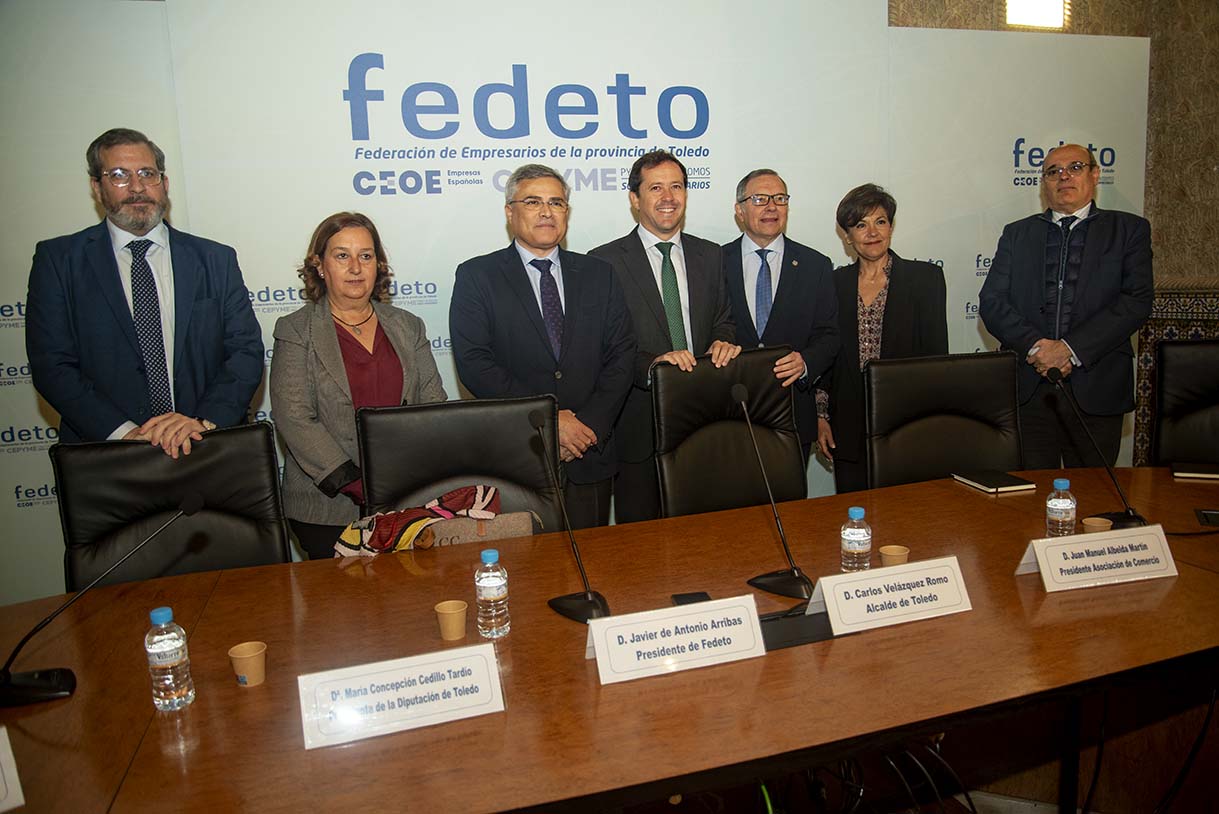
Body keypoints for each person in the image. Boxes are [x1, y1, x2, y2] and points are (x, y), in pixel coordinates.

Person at [26, 127, 263, 457]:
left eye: (147, 174)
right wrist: (127, 434)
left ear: (164, 184)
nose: (137, 187)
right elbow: (52, 365)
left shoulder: (215, 259)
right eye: (119, 175)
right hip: (106, 459)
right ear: (97, 187)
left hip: (207, 449)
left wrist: (201, 423)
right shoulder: (59, 261)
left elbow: (245, 352)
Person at [450, 165, 635, 529]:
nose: (547, 211)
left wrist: (586, 425)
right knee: (527, 575)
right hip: (518, 458)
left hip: (588, 450)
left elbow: (622, 354)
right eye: (533, 201)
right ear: (509, 212)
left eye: (557, 202)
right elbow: (475, 363)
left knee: (593, 567)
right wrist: (550, 420)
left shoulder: (599, 274)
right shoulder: (477, 276)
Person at [271, 212, 446, 559]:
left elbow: (433, 404)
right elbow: (294, 417)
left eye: (366, 256)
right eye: (342, 256)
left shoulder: (408, 326)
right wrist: (358, 485)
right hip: (327, 507)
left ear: (378, 265)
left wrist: (405, 481)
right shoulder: (295, 329)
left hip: (406, 500)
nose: (355, 267)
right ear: (320, 266)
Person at [980, 143, 1153, 468]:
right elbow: (992, 302)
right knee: (1028, 498)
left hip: (1097, 389)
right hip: (1030, 390)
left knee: (1095, 502)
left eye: (1074, 167)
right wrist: (1037, 348)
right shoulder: (1018, 234)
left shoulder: (1128, 230)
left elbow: (1136, 301)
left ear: (1095, 174)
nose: (1064, 177)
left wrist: (1071, 349)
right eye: (1053, 172)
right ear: (1043, 183)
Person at [590, 150, 740, 523]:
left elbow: (724, 319)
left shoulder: (711, 255)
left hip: (704, 420)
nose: (668, 197)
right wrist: (652, 364)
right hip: (636, 422)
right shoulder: (602, 263)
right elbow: (600, 346)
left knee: (706, 530)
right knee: (641, 543)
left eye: (677, 186)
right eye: (655, 188)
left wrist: (722, 339)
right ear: (634, 198)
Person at [816, 183, 948, 492]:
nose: (872, 232)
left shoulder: (925, 279)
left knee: (907, 520)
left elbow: (936, 360)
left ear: (891, 226)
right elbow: (826, 358)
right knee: (855, 520)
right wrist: (821, 416)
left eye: (880, 221)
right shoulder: (834, 284)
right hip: (846, 428)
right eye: (860, 225)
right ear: (847, 236)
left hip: (908, 426)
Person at [723, 169, 839, 461]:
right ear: (740, 210)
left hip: (792, 413)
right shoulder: (714, 262)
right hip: (728, 414)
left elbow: (829, 334)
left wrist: (806, 363)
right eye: (760, 199)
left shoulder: (816, 265)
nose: (772, 207)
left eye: (780, 198)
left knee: (791, 507)